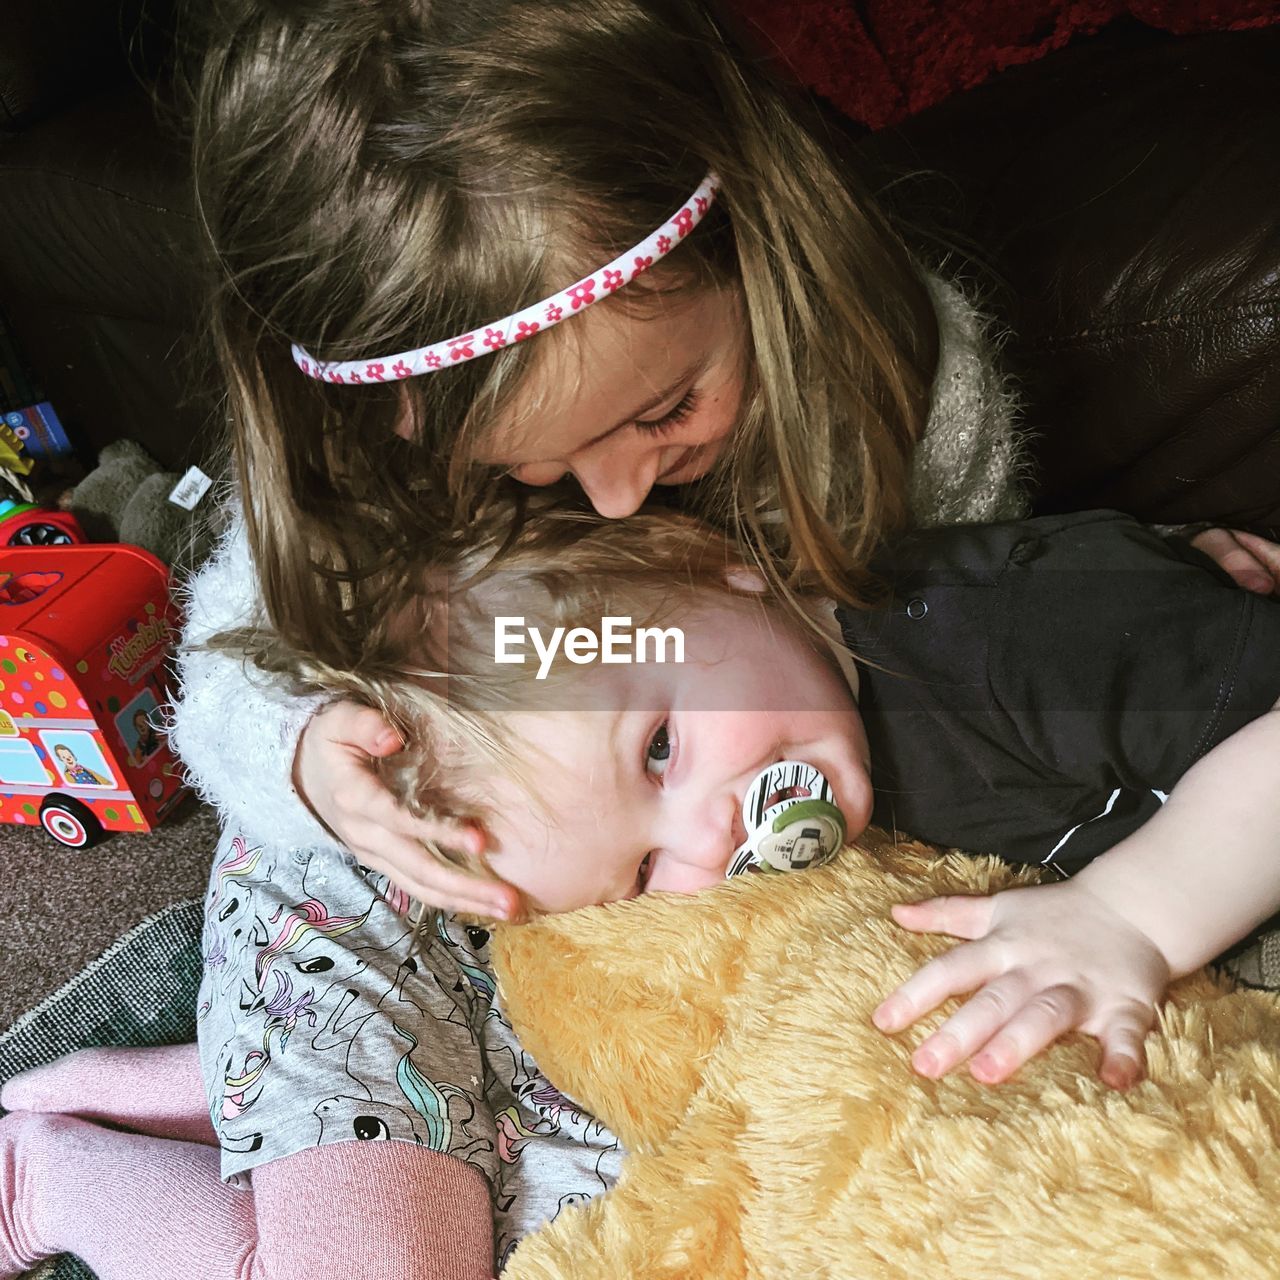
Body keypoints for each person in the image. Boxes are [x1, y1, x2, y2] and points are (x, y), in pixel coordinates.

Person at [169, 0, 1280, 934]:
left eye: (663, 410)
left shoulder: (914, 403)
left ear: (752, 241)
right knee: (307, 878)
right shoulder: (391, 466)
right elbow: (236, 647)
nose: (615, 494)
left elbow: (984, 610)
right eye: (535, 469)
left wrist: (1130, 582)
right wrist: (307, 756)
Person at [3, 503, 1276, 1279]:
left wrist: (1134, 911)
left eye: (662, 746)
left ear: (708, 562)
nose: (713, 841)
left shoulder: (999, 630)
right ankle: (131, 1125)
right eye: (641, 871)